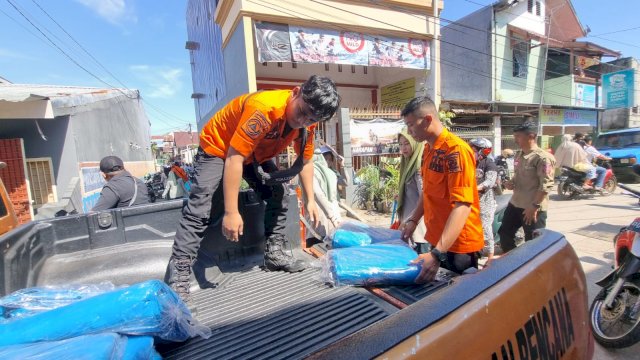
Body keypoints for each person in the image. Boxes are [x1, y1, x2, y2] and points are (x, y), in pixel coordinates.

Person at [165, 75, 340, 304]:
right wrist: (231, 212)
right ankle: (178, 277)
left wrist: (310, 201)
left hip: (254, 154)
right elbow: (234, 157)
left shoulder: (309, 121)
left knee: (278, 194)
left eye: (311, 118)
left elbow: (305, 161)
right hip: (219, 148)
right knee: (201, 202)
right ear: (296, 92)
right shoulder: (264, 108)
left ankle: (273, 254)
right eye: (302, 112)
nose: (303, 121)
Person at [400, 96, 484, 283]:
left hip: (458, 248)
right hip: (439, 242)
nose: (409, 131)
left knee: (460, 303)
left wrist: (438, 253)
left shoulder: (455, 151)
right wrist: (413, 220)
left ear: (428, 120)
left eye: (411, 124)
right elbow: (428, 192)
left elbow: (462, 206)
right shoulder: (429, 150)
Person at [498, 121, 556, 253]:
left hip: (532, 207)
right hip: (515, 204)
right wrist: (511, 183)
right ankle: (513, 261)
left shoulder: (543, 158)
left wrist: (534, 206)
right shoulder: (519, 154)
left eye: (518, 136)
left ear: (531, 136)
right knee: (505, 234)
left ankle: (533, 270)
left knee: (534, 243)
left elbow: (546, 185)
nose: (515, 139)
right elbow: (519, 175)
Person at [396, 128, 428, 253]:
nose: (403, 148)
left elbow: (424, 197)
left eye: (407, 143)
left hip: (419, 231)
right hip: (410, 228)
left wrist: (411, 220)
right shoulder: (408, 165)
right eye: (400, 144)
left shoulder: (418, 168)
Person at [469, 138, 498, 259]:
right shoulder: (469, 162)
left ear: (483, 151)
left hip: (485, 202)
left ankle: (490, 257)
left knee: (485, 229)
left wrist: (474, 189)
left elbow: (489, 182)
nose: (471, 151)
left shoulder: (489, 164)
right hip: (469, 201)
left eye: (474, 149)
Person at [305, 149, 342, 239]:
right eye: (325, 159)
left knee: (321, 241)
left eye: (330, 159)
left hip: (329, 212)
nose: (327, 162)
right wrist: (332, 216)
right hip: (322, 211)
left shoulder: (331, 173)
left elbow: (345, 182)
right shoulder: (311, 171)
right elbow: (318, 194)